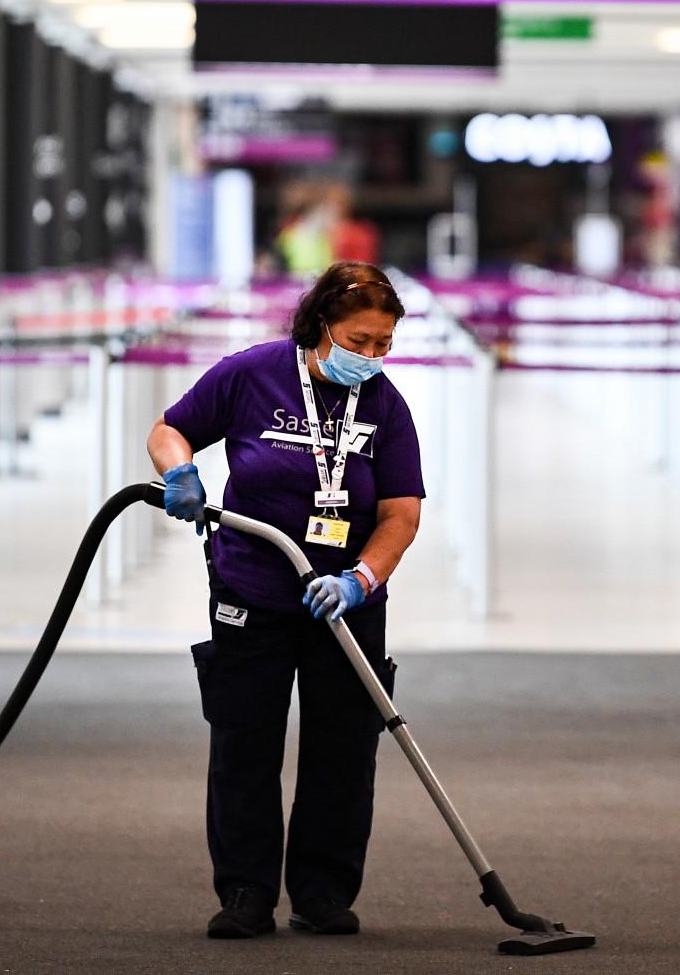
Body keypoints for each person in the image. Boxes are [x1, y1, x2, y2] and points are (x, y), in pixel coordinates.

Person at [147, 261, 424, 941]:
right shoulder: (252, 374)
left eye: (383, 343)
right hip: (251, 587)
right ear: (319, 324)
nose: (371, 356)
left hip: (344, 599)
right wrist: (179, 470)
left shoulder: (385, 406)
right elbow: (169, 429)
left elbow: (401, 513)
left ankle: (323, 893)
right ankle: (245, 890)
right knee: (245, 743)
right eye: (358, 340)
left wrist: (360, 579)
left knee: (344, 749)